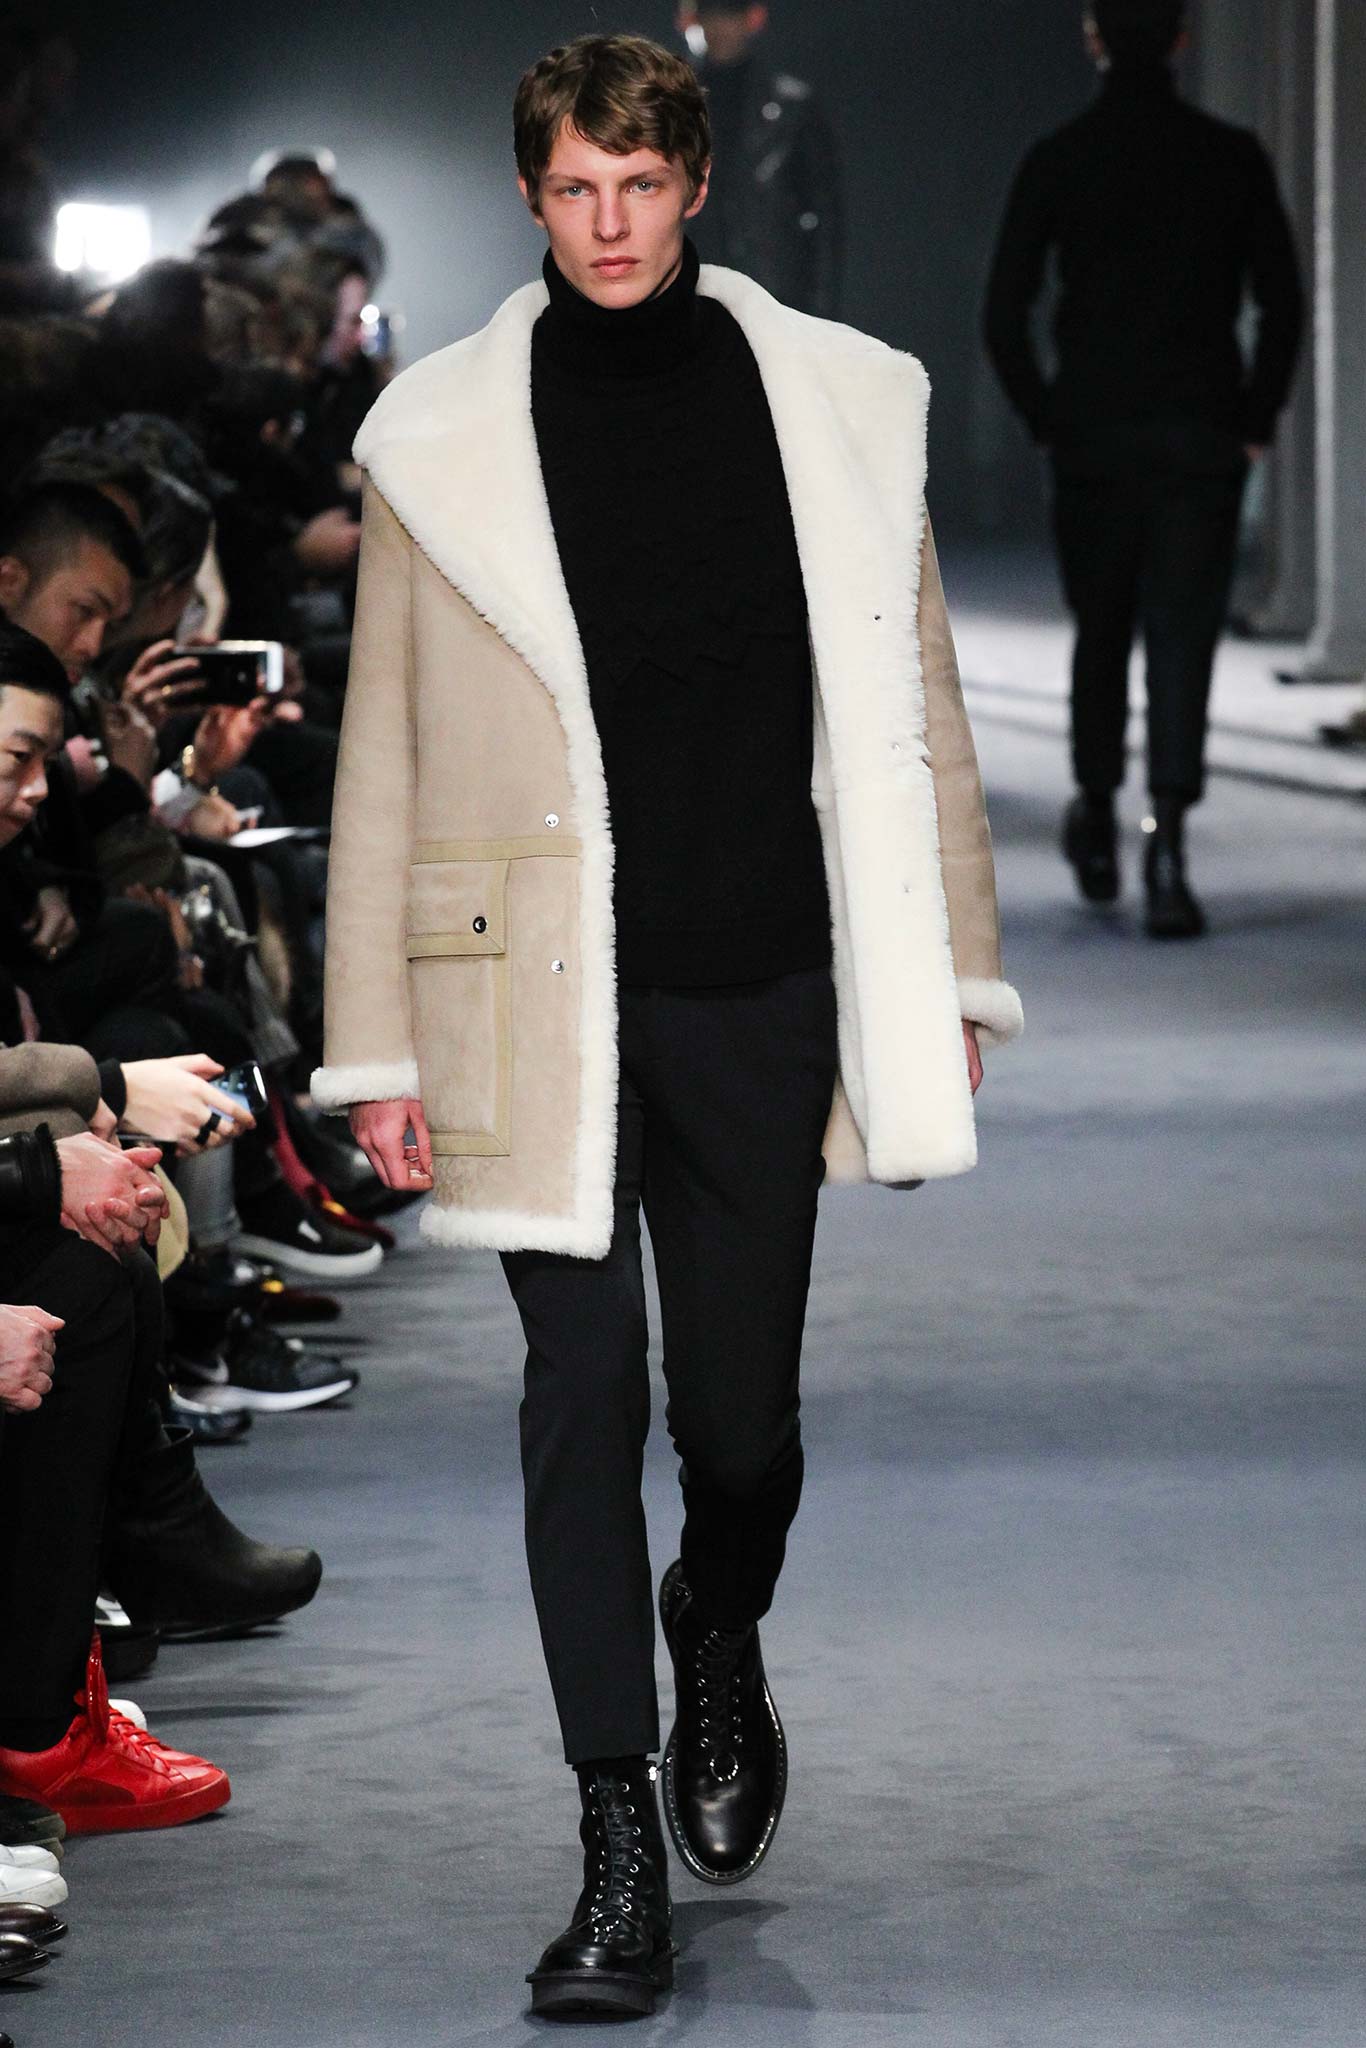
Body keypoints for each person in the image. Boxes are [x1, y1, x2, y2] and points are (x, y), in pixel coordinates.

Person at [315, 33, 1021, 2019]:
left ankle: (716, 1613)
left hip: (757, 973)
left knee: (739, 1426)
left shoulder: (835, 403)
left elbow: (916, 704)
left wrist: (951, 964)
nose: (608, 224)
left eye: (638, 185)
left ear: (694, 185)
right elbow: (382, 748)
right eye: (573, 189)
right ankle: (610, 1832)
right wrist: (375, 1046)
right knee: (578, 1399)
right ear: (529, 197)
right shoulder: (438, 438)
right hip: (525, 988)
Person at [983, 0, 1304, 937]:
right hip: (1200, 433)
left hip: (1094, 432)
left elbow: (1004, 312)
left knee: (1102, 630)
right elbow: (1282, 301)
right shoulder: (1230, 158)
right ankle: (1167, 841)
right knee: (1181, 636)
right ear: (1182, 38)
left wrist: (1047, 416)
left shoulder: (1061, 156)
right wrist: (1253, 417)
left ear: (1092, 37)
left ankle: (1095, 809)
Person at [678, 3, 843, 318]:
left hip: (771, 284)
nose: (721, 27)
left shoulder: (792, 107)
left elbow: (824, 211)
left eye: (730, 15)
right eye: (712, 15)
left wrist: (820, 313)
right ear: (693, 20)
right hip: (691, 276)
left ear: (752, 18)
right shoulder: (670, 102)